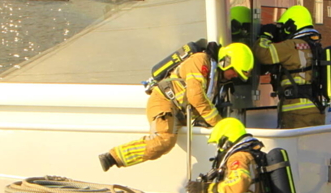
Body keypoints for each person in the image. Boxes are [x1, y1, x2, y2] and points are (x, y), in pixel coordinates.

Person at [99, 43, 254, 170]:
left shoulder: (216, 76)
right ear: (225, 61)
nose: (235, 76)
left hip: (179, 111)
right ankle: (113, 157)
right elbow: (196, 97)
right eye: (235, 71)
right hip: (164, 101)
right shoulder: (200, 61)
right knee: (164, 140)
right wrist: (221, 125)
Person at [253, 4, 325, 128]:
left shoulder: (292, 46)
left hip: (297, 112)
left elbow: (262, 53)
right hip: (314, 108)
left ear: (290, 26)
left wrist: (265, 35)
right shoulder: (312, 46)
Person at [202, 117, 264, 193]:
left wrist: (209, 189)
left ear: (226, 141)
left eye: (219, 144)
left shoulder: (237, 157)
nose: (220, 149)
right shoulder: (250, 152)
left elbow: (238, 186)